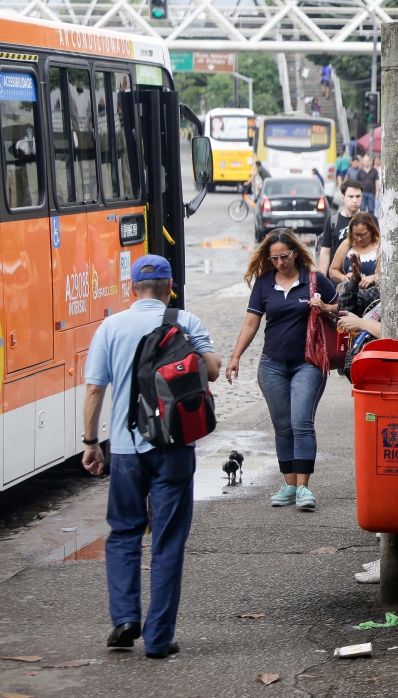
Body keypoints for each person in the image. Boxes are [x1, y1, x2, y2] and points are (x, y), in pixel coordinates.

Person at [82, 256, 220, 659]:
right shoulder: (186, 321)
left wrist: (91, 442)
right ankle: (159, 639)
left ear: (131, 289)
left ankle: (125, 618)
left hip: (125, 451)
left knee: (124, 532)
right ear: (169, 286)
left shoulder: (110, 327)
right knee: (167, 541)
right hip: (174, 445)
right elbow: (211, 371)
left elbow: (94, 391)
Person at [227, 230, 339, 510]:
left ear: (295, 253)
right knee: (282, 427)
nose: (279, 262)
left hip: (308, 363)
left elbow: (340, 307)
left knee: (302, 422)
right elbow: (251, 323)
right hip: (272, 365)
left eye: (284, 256)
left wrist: (324, 306)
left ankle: (304, 488)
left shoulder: (314, 280)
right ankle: (289, 484)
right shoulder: (264, 284)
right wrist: (235, 356)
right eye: (274, 258)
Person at [318, 179, 364, 275]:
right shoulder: (333, 220)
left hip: (363, 277)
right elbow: (325, 251)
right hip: (337, 277)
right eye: (351, 196)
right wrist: (322, 279)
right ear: (343, 197)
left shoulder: (369, 220)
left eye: (358, 196)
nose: (355, 200)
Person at [329, 212, 379, 287]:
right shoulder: (347, 245)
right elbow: (333, 271)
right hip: (350, 294)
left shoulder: (380, 246)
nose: (359, 239)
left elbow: (390, 273)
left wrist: (374, 277)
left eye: (363, 235)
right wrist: (344, 277)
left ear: (372, 231)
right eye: (356, 235)